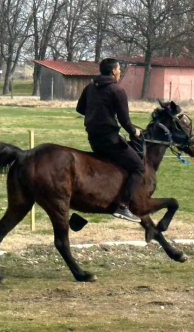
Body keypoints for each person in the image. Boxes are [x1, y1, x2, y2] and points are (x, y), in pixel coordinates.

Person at [76, 58, 144, 222]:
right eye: (119, 68)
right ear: (113, 71)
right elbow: (125, 122)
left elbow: (80, 108)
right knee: (138, 168)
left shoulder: (90, 87)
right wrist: (135, 132)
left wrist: (96, 115)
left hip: (93, 138)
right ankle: (122, 206)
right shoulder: (116, 90)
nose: (120, 71)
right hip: (110, 140)